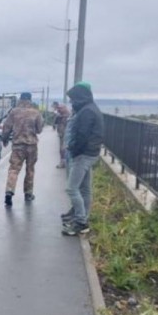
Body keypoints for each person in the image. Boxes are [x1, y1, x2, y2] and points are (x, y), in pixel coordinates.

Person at [61, 82, 103, 236]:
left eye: (73, 99)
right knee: (85, 189)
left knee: (72, 189)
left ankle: (81, 222)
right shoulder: (91, 109)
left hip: (83, 154)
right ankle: (83, 218)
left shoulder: (86, 112)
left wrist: (74, 150)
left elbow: (82, 135)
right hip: (90, 153)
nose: (72, 102)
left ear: (79, 97)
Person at [1, 92, 43, 206]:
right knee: (30, 169)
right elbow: (39, 129)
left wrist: (4, 139)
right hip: (32, 146)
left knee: (14, 169)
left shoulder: (14, 112)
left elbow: (7, 127)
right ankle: (28, 194)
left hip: (18, 145)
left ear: (20, 99)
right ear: (30, 100)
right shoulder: (36, 113)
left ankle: (9, 191)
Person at [52, 101, 70, 168]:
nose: (58, 110)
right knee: (62, 149)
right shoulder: (60, 116)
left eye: (60, 108)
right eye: (58, 109)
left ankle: (64, 162)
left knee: (63, 149)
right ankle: (63, 162)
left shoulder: (67, 116)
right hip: (62, 134)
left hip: (66, 134)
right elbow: (55, 122)